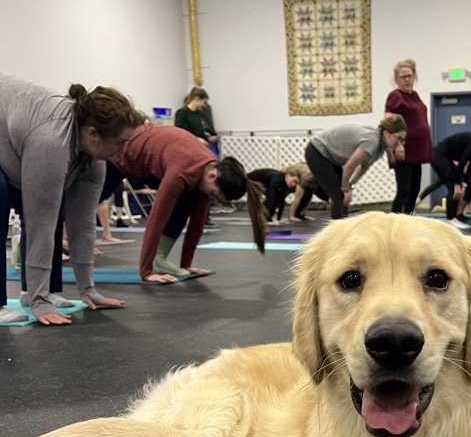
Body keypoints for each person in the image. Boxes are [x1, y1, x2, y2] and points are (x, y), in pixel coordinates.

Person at [0, 73, 142, 325]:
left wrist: (88, 289)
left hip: (13, 146)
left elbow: (84, 224)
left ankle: (35, 292)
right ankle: (30, 296)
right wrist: (39, 303)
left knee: (54, 208)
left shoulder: (94, 159)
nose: (125, 150)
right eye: (121, 142)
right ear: (93, 134)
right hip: (13, 142)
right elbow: (39, 224)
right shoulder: (52, 141)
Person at [104, 125, 265, 283]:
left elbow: (197, 222)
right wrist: (146, 272)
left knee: (190, 199)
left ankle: (160, 259)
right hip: (123, 154)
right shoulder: (181, 172)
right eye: (214, 194)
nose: (212, 197)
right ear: (213, 175)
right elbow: (156, 219)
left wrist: (187, 265)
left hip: (150, 162)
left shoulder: (207, 171)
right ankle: (80, 249)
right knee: (93, 202)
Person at [304, 116, 407, 220]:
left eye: (403, 140)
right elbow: (349, 167)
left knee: (343, 197)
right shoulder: (372, 141)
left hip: (330, 157)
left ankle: (343, 226)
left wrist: (350, 186)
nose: (400, 144)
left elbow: (364, 167)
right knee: (339, 197)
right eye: (398, 138)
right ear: (386, 134)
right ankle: (338, 232)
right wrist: (345, 187)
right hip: (317, 152)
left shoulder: (380, 147)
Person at [384, 59, 432, 214]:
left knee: (414, 190)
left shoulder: (415, 95)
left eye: (410, 76)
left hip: (417, 152)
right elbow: (389, 123)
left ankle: (408, 221)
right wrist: (398, 145)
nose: (407, 80)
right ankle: (393, 224)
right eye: (403, 77)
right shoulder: (395, 96)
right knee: (403, 191)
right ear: (397, 79)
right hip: (403, 151)